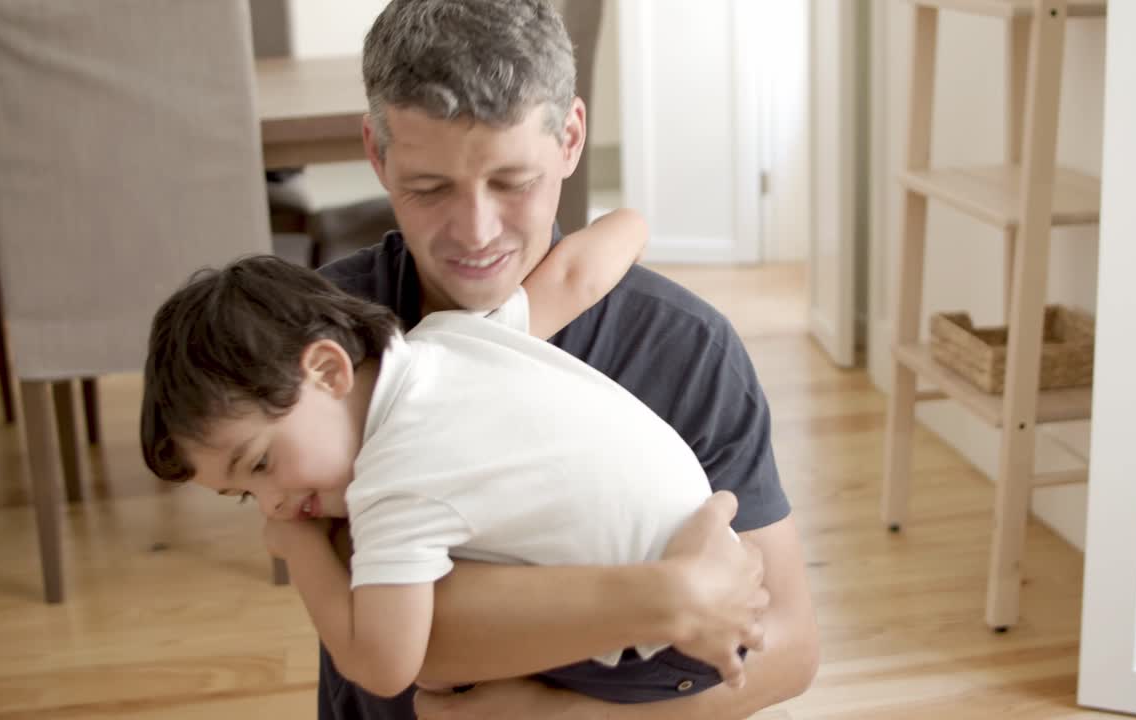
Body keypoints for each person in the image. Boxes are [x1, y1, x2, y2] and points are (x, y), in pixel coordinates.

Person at [314, 0, 818, 716]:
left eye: (512, 182)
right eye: (429, 189)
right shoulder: (327, 344)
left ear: (571, 137)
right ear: (376, 153)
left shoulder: (684, 348)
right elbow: (405, 642)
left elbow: (791, 648)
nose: (476, 231)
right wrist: (671, 597)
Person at [140, 212, 765, 701]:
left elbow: (381, 666)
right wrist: (631, 222)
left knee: (421, 652)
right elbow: (582, 273)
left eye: (259, 465)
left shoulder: (395, 481)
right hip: (719, 552)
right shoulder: (450, 337)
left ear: (328, 369)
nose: (273, 505)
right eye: (247, 496)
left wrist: (300, 548)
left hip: (674, 648)